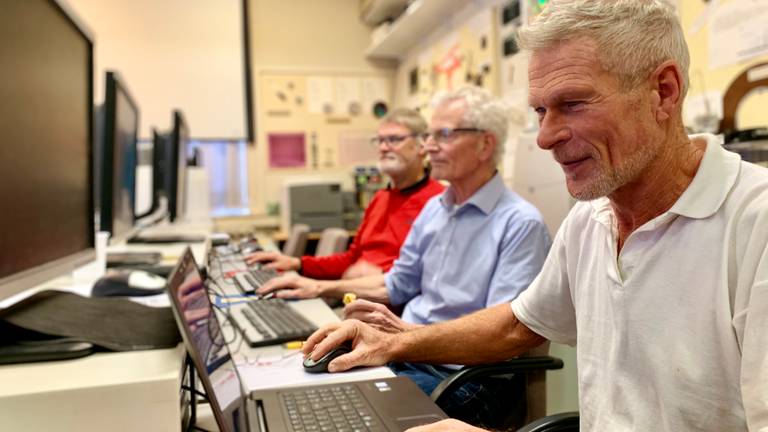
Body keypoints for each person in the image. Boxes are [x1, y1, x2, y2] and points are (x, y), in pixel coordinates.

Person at [300, 1, 768, 431]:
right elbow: (518, 324)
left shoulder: (755, 224)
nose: (544, 137)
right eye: (541, 110)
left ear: (664, 92)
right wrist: (397, 340)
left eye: (572, 104)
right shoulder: (591, 220)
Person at [259, 86, 551, 425]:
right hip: (409, 353)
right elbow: (397, 284)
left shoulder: (519, 223)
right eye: (428, 135)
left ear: (485, 144)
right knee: (306, 388)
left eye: (443, 135)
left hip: (466, 378)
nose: (428, 146)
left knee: (341, 406)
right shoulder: (434, 209)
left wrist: (404, 338)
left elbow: (502, 337)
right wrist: (320, 288)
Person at [247, 108, 444, 280]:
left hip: (396, 313)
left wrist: (383, 275)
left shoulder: (440, 202)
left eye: (394, 139)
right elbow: (350, 259)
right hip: (358, 300)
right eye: (380, 140)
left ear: (422, 145)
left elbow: (435, 275)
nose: (383, 148)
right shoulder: (380, 199)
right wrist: (297, 263)